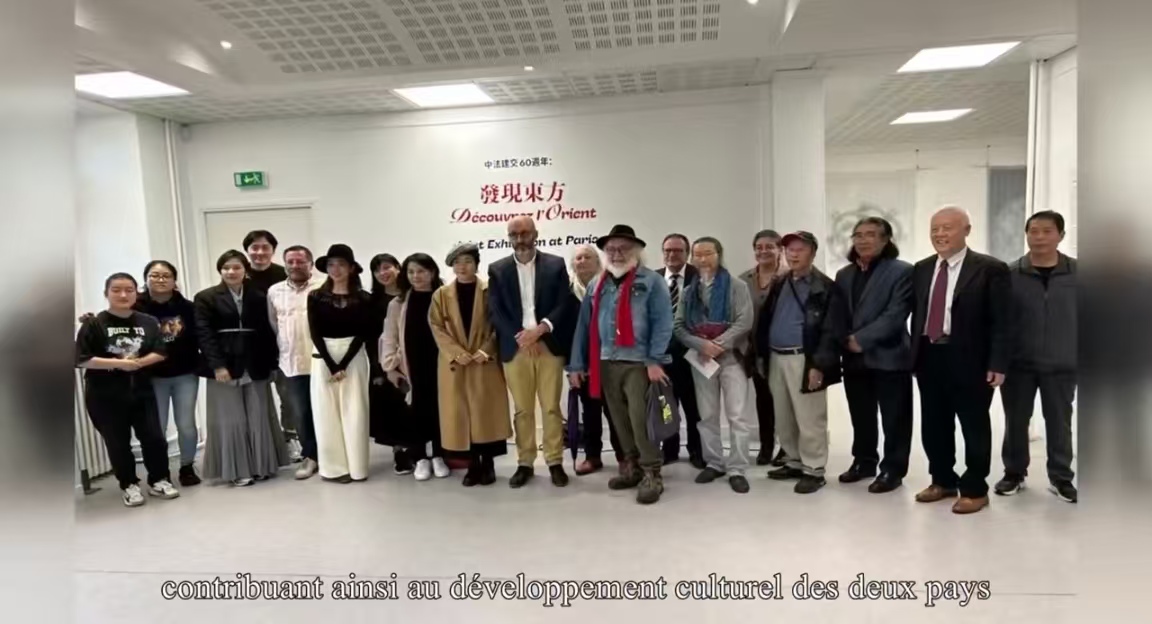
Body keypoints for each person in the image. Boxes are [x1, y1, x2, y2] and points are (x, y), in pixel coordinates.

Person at [910, 206, 1011, 515]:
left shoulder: (990, 268)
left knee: (973, 426)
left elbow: (1003, 321)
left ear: (967, 230)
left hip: (972, 359)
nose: (940, 234)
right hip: (929, 355)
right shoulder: (922, 268)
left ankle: (975, 489)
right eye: (935, 229)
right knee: (934, 425)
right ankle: (942, 480)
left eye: (947, 228)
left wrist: (998, 363)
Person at [568, 225, 673, 505]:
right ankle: (632, 466)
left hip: (639, 363)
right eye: (611, 249)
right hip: (606, 362)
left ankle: (652, 473)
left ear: (636, 251)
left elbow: (664, 323)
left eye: (623, 249)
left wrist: (655, 360)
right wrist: (576, 365)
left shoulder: (652, 281)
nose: (616, 254)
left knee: (641, 421)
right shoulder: (597, 284)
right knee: (619, 421)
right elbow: (584, 326)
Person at [487, 216, 578, 488]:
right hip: (516, 348)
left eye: (525, 233)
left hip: (548, 344)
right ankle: (525, 462)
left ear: (535, 234)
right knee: (523, 409)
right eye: (514, 234)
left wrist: (540, 330)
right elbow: (496, 310)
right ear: (509, 237)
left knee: (551, 407)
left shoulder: (555, 264)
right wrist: (523, 337)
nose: (520, 239)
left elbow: (564, 303)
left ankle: (554, 461)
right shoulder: (497, 269)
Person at [76, 273, 180, 507]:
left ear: (136, 292)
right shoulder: (94, 324)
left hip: (142, 391)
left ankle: (159, 480)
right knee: (117, 442)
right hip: (105, 394)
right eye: (116, 290)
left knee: (154, 438)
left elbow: (160, 351)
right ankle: (129, 485)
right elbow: (82, 359)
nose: (123, 295)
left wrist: (138, 363)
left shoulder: (148, 322)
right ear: (106, 293)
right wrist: (119, 364)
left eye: (129, 290)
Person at [996, 211, 1077, 503]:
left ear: (1061, 236)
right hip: (1019, 365)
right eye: (1033, 231)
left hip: (1062, 364)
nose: (1039, 237)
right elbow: (999, 321)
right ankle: (1014, 473)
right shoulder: (1009, 273)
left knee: (1059, 423)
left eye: (1047, 231)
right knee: (1016, 422)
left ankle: (1061, 478)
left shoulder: (1078, 273)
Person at [754, 231, 843, 494]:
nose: (793, 254)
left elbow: (831, 330)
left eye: (799, 250)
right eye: (789, 250)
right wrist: (761, 356)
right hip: (776, 357)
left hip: (804, 359)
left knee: (810, 417)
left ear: (812, 253)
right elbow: (766, 320)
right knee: (784, 416)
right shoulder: (780, 282)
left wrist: (819, 365)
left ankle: (814, 469)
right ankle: (793, 461)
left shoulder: (824, 287)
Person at [195, 250, 289, 486]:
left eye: (236, 267)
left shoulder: (259, 295)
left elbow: (268, 332)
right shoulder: (206, 297)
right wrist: (217, 365)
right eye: (226, 267)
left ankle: (261, 466)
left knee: (259, 415)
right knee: (231, 418)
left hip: (256, 361)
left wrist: (272, 364)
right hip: (224, 364)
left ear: (245, 270)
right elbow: (204, 334)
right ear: (220, 270)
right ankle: (237, 470)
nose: (231, 272)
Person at [834, 218, 914, 494]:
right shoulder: (844, 274)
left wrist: (861, 340)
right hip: (853, 359)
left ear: (885, 239)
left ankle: (893, 469)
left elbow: (896, 314)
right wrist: (843, 340)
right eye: (858, 235)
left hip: (890, 357)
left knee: (895, 419)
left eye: (870, 234)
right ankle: (864, 461)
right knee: (861, 416)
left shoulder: (902, 271)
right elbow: (838, 313)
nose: (863, 240)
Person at [673, 237, 755, 494]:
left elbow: (745, 321)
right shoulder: (689, 291)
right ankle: (715, 463)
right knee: (707, 415)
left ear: (719, 254)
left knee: (737, 416)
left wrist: (717, 344)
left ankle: (737, 468)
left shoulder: (737, 286)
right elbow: (679, 327)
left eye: (708, 253)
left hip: (731, 358)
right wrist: (701, 345)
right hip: (702, 360)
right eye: (697, 255)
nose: (702, 259)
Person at [429, 243, 513, 486]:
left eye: (467, 261)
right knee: (461, 415)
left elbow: (501, 323)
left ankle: (488, 464)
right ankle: (472, 465)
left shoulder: (490, 291)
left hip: (484, 361)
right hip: (455, 364)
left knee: (485, 413)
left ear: (476, 264)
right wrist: (456, 353)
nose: (462, 267)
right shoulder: (441, 295)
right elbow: (436, 327)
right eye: (457, 262)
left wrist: (486, 349)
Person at [307, 244, 381, 483]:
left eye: (340, 264)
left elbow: (364, 333)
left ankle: (357, 467)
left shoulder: (364, 298)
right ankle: (333, 469)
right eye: (331, 264)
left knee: (355, 411)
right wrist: (332, 365)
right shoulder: (315, 296)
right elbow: (315, 332)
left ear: (351, 268)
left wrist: (344, 363)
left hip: (354, 356)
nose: (335, 269)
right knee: (325, 413)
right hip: (323, 357)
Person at [133, 261, 204, 486]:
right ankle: (159, 471)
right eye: (154, 275)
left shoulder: (188, 307)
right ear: (145, 279)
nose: (160, 280)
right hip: (152, 376)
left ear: (174, 280)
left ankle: (187, 467)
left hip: (185, 373)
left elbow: (201, 336)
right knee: (157, 427)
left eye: (166, 276)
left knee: (186, 424)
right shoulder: (135, 307)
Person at [381, 253, 448, 482]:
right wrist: (390, 367)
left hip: (440, 362)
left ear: (432, 272)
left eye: (421, 271)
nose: (416, 276)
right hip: (411, 364)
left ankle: (438, 454)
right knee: (416, 410)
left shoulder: (444, 297)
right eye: (411, 272)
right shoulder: (398, 303)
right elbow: (389, 337)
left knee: (440, 409)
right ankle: (420, 457)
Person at [267, 246, 324, 480]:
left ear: (311, 264)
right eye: (290, 262)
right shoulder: (275, 291)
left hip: (322, 360)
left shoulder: (323, 286)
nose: (295, 266)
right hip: (291, 362)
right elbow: (274, 324)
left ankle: (332, 455)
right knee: (301, 413)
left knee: (326, 411)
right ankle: (311, 457)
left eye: (300, 261)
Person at [243, 229, 298, 460]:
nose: (259, 252)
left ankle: (291, 438)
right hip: (252, 349)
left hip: (284, 347)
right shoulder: (240, 274)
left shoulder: (284, 275)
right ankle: (264, 445)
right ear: (247, 251)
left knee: (289, 398)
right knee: (257, 401)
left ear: (273, 250)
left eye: (265, 247)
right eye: (254, 247)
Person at [569, 244, 623, 475]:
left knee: (616, 411)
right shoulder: (566, 291)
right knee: (589, 413)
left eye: (587, 257)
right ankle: (592, 457)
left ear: (598, 261)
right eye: (578, 258)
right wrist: (575, 364)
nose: (582, 261)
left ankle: (624, 457)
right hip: (581, 362)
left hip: (609, 359)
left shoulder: (609, 285)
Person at [738, 229, 788, 467]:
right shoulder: (743, 279)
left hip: (782, 349)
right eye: (759, 247)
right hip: (755, 350)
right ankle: (766, 446)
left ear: (780, 250)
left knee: (784, 401)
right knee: (764, 399)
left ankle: (787, 448)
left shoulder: (789, 277)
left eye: (770, 246)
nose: (763, 251)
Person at [656, 233, 705, 469]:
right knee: (666, 406)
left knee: (694, 407)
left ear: (687, 253)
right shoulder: (652, 279)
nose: (672, 254)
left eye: (677, 250)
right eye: (668, 250)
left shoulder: (700, 277)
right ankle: (670, 449)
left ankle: (696, 449)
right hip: (662, 356)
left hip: (692, 355)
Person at [367, 253, 413, 474]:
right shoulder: (372, 302)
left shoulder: (412, 294)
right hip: (387, 364)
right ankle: (400, 452)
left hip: (414, 360)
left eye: (387, 267)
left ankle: (423, 450)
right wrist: (379, 370)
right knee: (394, 409)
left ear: (398, 268)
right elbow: (370, 338)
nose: (382, 273)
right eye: (377, 270)